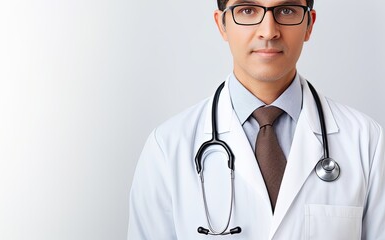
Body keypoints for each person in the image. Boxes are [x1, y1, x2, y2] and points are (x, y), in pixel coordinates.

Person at [127, 0, 385, 239]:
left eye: (286, 10)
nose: (269, 31)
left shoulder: (367, 141)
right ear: (222, 24)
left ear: (309, 24)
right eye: (248, 10)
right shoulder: (167, 146)